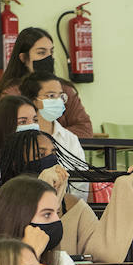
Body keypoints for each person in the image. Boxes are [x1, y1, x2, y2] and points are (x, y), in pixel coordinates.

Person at [0, 129, 133, 265]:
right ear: (16, 162)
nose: (50, 159)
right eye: (40, 155)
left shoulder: (71, 203)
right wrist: (43, 186)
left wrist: (125, 187)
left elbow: (105, 253)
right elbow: (16, 244)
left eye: (53, 153)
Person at [0, 28, 93, 137]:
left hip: (63, 152)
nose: (48, 58)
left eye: (51, 52)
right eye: (41, 52)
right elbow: (5, 132)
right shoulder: (12, 93)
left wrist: (53, 136)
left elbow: (85, 130)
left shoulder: (65, 90)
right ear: (23, 58)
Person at [20, 72, 89, 203]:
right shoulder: (22, 137)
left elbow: (81, 182)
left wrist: (65, 203)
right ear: (34, 100)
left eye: (61, 96)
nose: (58, 101)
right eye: (51, 96)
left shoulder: (70, 139)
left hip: (66, 206)